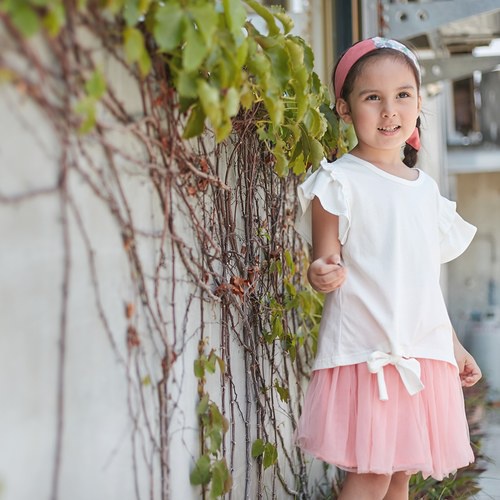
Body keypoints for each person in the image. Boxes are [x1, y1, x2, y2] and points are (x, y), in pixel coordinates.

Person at [295, 37, 482, 500]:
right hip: (368, 351)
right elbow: (324, 259)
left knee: (400, 474)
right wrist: (322, 271)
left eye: (402, 95)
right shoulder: (338, 182)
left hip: (422, 353)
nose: (389, 111)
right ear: (344, 108)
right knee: (373, 473)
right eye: (372, 97)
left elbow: (424, 285)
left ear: (419, 102)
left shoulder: (426, 192)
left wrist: (453, 346)